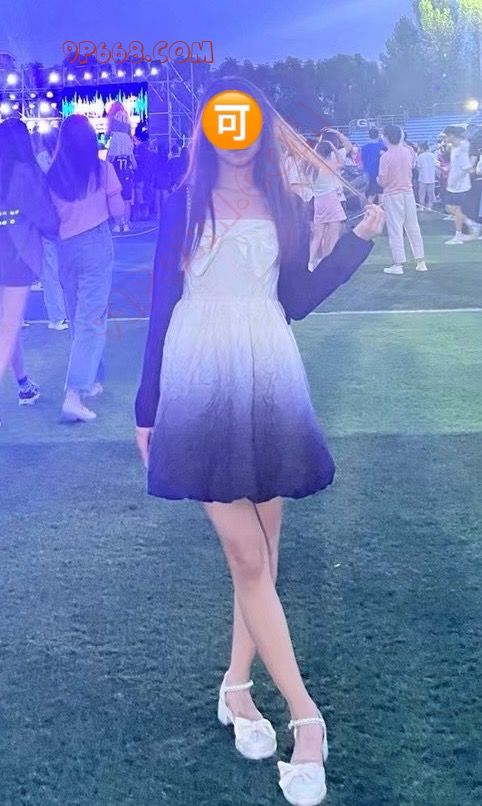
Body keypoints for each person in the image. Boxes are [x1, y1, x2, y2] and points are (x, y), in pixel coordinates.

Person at [134, 76, 384, 806]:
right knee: (248, 556)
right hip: (197, 376)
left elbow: (295, 300)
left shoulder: (287, 202)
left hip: (268, 371)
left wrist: (356, 246)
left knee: (262, 560)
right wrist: (147, 407)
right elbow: (161, 303)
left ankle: (237, 689)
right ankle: (308, 720)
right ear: (208, 129)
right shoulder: (181, 203)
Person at [47, 114, 124, 423]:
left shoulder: (52, 176)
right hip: (96, 243)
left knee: (77, 315)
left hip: (65, 248)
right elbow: (118, 209)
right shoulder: (102, 170)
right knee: (91, 319)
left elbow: (49, 219)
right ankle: (74, 394)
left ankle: (90, 380)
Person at [0, 118, 58, 414]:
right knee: (8, 329)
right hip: (14, 254)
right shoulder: (23, 172)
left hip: (9, 252)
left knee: (7, 328)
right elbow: (45, 217)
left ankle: (24, 383)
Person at [377, 124, 428, 275]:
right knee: (413, 227)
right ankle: (421, 262)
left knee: (395, 229)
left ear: (386, 137)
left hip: (392, 195)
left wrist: (378, 180)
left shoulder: (385, 157)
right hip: (408, 193)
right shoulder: (408, 151)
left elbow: (383, 181)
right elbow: (411, 167)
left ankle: (398, 264)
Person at [34, 126, 69, 330]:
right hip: (63, 220)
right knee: (59, 269)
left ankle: (58, 316)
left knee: (52, 270)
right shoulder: (64, 160)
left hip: (51, 220)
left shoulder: (42, 160)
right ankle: (61, 315)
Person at [310, 140, 347, 264]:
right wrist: (333, 146)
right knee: (333, 234)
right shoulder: (328, 165)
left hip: (318, 201)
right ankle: (327, 261)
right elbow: (342, 162)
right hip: (331, 200)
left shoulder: (311, 167)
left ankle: (310, 261)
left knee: (317, 236)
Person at [106, 101, 137, 232]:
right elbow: (133, 161)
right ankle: (126, 224)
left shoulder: (115, 137)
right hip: (127, 170)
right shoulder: (127, 138)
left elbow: (109, 158)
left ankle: (118, 223)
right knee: (127, 198)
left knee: (115, 196)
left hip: (116, 169)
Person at [443, 125, 475, 245]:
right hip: (453, 185)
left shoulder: (463, 147)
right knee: (449, 208)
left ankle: (458, 236)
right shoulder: (454, 148)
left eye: (446, 137)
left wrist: (456, 180)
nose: (445, 139)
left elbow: (466, 168)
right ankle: (471, 224)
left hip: (460, 186)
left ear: (451, 135)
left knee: (457, 210)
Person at [361, 128, 386, 203]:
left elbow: (363, 161)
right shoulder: (383, 146)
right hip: (380, 173)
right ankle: (380, 209)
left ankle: (367, 209)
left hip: (369, 174)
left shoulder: (364, 148)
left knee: (372, 194)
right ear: (378, 135)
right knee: (380, 194)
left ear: (369, 136)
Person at [416, 142, 438, 211]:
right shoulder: (433, 156)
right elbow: (436, 165)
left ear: (422, 148)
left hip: (422, 178)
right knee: (430, 193)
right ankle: (429, 206)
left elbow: (418, 167)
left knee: (422, 193)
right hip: (431, 178)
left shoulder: (420, 157)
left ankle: (421, 206)